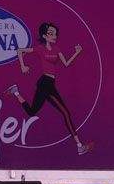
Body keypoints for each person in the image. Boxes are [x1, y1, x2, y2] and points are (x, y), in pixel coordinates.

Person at [7, 21, 93, 155]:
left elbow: (66, 63)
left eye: (55, 34)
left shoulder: (57, 49)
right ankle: (79, 146)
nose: (54, 36)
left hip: (49, 83)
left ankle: (16, 92)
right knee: (65, 112)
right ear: (44, 36)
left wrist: (77, 52)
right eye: (51, 33)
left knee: (31, 112)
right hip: (45, 83)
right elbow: (20, 50)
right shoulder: (40, 49)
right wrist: (22, 66)